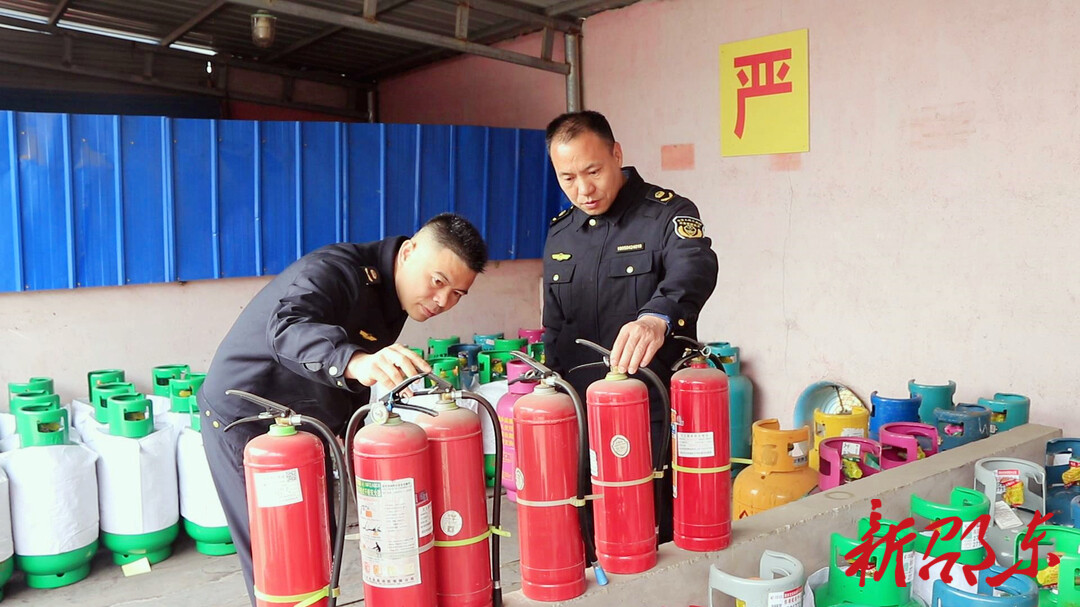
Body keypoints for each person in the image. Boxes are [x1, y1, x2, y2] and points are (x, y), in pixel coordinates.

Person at [199, 213, 487, 605]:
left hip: (302, 423)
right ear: (408, 252)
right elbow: (287, 328)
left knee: (320, 542)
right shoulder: (336, 270)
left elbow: (351, 371)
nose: (443, 301)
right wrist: (355, 362)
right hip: (248, 418)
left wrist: (342, 428)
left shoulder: (397, 296)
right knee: (279, 552)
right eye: (438, 282)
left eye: (457, 293)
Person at [541, 111, 719, 542]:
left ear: (616, 154)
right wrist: (548, 386)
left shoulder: (666, 213)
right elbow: (554, 325)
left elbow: (694, 266)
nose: (582, 189)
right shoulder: (561, 234)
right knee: (588, 530)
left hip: (652, 411)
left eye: (593, 171)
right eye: (567, 178)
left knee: (653, 530)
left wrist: (655, 318)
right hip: (583, 412)